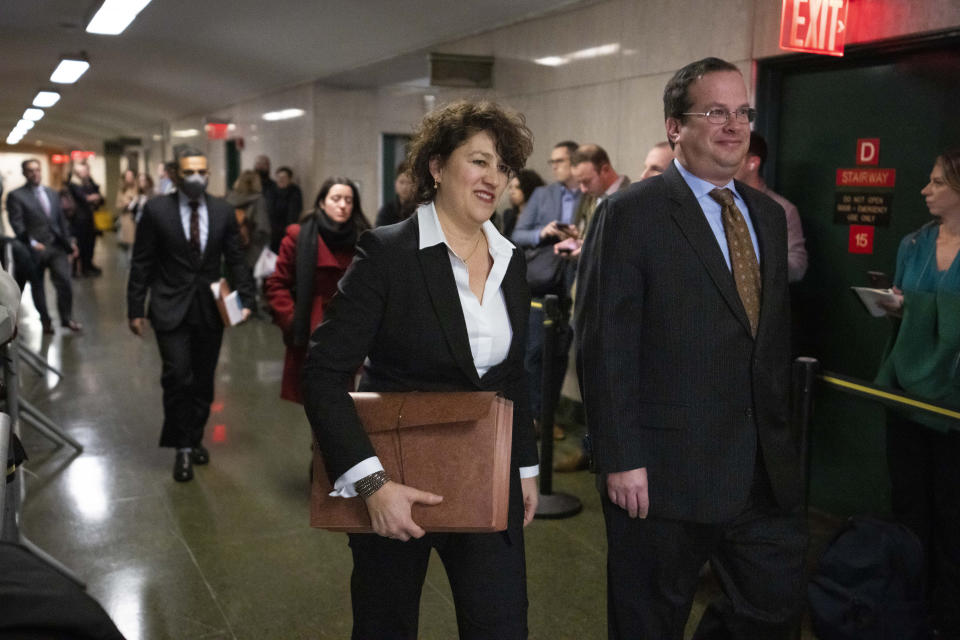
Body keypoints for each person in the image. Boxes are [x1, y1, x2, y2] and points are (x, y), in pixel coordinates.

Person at [576, 57, 807, 639]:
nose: (733, 125)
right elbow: (607, 344)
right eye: (714, 112)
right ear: (675, 125)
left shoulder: (768, 218)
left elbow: (766, 340)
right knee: (649, 621)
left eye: (741, 112)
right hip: (662, 471)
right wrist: (620, 455)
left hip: (760, 469)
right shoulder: (631, 213)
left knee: (771, 609)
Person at [301, 100, 539, 639]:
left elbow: (511, 376)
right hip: (396, 481)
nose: (493, 178)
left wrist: (524, 468)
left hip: (486, 476)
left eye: (503, 167)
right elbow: (323, 373)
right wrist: (372, 484)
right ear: (436, 166)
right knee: (387, 625)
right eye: (479, 161)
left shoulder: (510, 260)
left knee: (500, 623)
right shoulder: (388, 253)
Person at [127, 148, 255, 483]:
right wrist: (134, 308)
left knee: (202, 379)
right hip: (169, 306)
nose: (197, 177)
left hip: (209, 309)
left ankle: (194, 436)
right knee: (177, 376)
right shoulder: (156, 211)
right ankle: (182, 448)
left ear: (208, 173)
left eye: (202, 171)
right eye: (189, 172)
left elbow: (236, 258)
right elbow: (141, 262)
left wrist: (247, 299)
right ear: (175, 175)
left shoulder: (223, 210)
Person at [875, 149, 960, 638]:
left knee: (953, 511)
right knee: (909, 505)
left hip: (953, 405)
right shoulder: (912, 243)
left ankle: (949, 615)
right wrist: (894, 305)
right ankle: (909, 607)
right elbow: (903, 307)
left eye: (936, 182)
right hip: (907, 393)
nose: (926, 190)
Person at [264, 177, 367, 403]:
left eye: (349, 200)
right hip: (310, 327)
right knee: (317, 399)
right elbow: (276, 283)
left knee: (342, 399)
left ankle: (325, 440)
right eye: (336, 199)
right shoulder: (299, 237)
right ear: (322, 202)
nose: (343, 205)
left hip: (350, 329)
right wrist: (291, 319)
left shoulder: (363, 239)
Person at [6, 159, 82, 334]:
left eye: (37, 170)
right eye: (30, 171)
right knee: (38, 286)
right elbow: (17, 224)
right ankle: (45, 321)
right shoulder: (16, 196)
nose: (35, 173)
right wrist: (32, 243)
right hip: (34, 250)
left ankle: (66, 318)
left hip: (56, 247)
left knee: (64, 282)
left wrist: (70, 241)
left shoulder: (52, 193)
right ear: (24, 173)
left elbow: (61, 221)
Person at [735, 132, 808, 282]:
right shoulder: (714, 201)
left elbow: (798, 266)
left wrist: (759, 264)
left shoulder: (782, 209)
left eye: (733, 155)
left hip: (760, 301)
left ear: (752, 163)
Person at [225, 169, 270, 269]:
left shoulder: (228, 199)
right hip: (252, 253)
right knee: (250, 283)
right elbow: (262, 228)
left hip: (231, 251)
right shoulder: (259, 200)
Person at [65, 162, 104, 277]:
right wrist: (91, 197)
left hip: (89, 218)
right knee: (79, 245)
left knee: (90, 243)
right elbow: (85, 198)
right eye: (83, 171)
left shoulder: (88, 182)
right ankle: (78, 269)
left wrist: (93, 197)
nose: (86, 173)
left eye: (86, 171)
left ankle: (88, 265)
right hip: (77, 220)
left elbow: (98, 196)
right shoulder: (73, 184)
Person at [501, 169, 544, 239]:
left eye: (517, 187)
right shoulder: (509, 215)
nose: (512, 192)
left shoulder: (540, 216)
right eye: (510, 187)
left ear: (528, 188)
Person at [269, 166, 304, 252]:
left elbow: (293, 214)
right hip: (272, 233)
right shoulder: (271, 191)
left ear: (290, 179)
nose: (281, 179)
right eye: (279, 177)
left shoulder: (294, 192)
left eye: (284, 177)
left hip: (286, 231)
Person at [375, 162, 417, 228]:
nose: (404, 187)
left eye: (409, 182)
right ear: (395, 183)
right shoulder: (387, 211)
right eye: (401, 182)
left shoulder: (418, 210)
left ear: (415, 186)